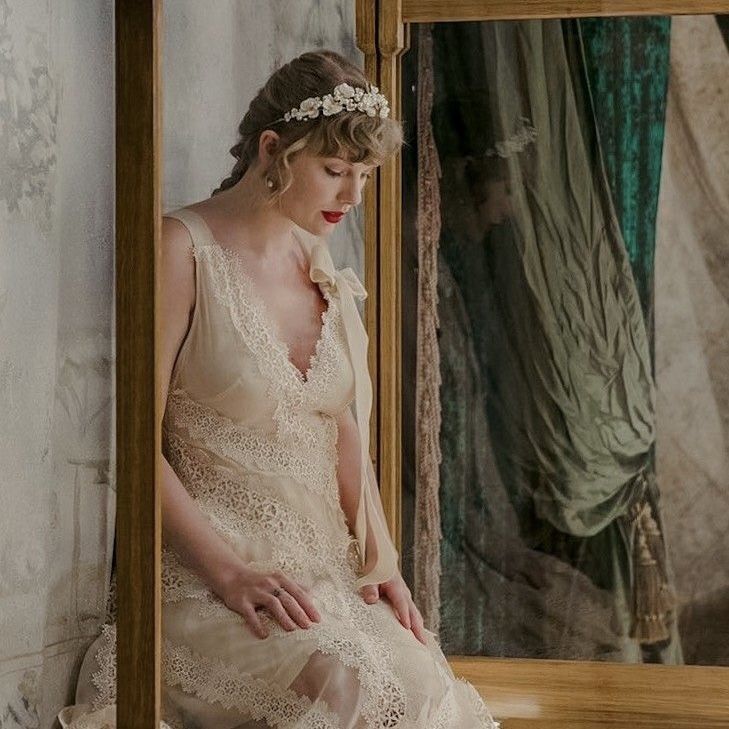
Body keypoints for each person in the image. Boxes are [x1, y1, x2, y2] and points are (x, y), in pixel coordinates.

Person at [57, 49, 500, 728]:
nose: (351, 197)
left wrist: (382, 563)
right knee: (345, 688)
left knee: (424, 691)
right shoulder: (182, 250)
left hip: (321, 578)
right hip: (204, 582)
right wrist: (229, 572)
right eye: (333, 171)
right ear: (273, 149)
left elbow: (338, 425)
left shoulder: (318, 261)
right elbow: (133, 442)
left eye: (363, 175)